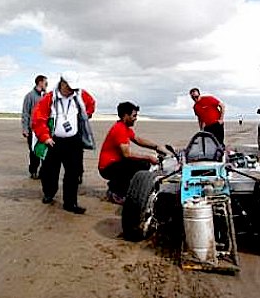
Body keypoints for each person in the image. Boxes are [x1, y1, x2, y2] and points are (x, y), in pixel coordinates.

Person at [32, 72, 95, 214]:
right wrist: (45, 137)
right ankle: (49, 193)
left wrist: (85, 116)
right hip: (53, 142)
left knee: (73, 173)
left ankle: (70, 203)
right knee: (49, 171)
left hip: (74, 142)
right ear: (62, 83)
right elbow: (38, 119)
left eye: (74, 88)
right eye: (69, 87)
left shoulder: (80, 95)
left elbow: (91, 105)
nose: (72, 90)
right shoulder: (49, 98)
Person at [99, 102, 167, 204]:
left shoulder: (124, 128)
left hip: (115, 164)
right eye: (134, 115)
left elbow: (138, 140)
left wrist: (156, 147)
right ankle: (116, 193)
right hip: (107, 167)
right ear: (126, 116)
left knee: (142, 164)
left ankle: (116, 186)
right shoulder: (119, 129)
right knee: (140, 164)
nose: (136, 118)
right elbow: (127, 154)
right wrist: (148, 157)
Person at [21, 75, 48, 179]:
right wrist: (25, 129)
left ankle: (43, 172)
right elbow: (25, 113)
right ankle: (33, 171)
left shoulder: (47, 96)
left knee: (45, 152)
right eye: (45, 83)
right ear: (40, 83)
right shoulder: (30, 96)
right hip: (33, 130)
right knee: (34, 152)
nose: (46, 85)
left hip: (45, 130)